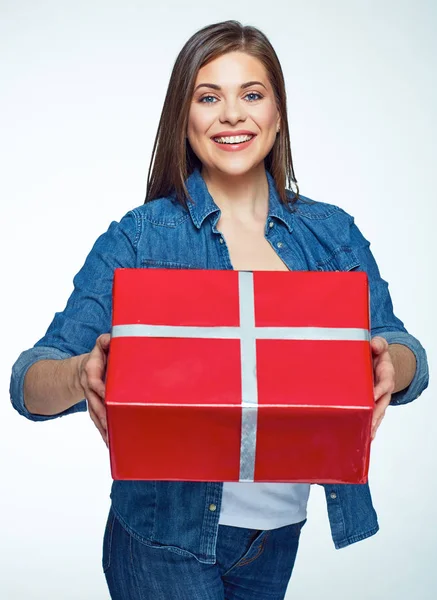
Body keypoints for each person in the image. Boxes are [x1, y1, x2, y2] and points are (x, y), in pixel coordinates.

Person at [10, 19, 429, 600]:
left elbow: (406, 351)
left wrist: (391, 366)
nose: (233, 115)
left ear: (278, 114)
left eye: (252, 95)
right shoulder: (140, 238)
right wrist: (82, 374)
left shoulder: (331, 236)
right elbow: (29, 381)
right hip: (163, 539)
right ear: (184, 119)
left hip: (278, 534)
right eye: (209, 98)